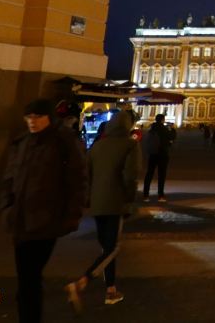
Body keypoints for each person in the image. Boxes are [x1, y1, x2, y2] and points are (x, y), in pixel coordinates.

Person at [1, 98, 86, 323]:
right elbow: (9, 177)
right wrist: (7, 207)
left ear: (49, 118)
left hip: (47, 218)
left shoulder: (64, 142)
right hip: (20, 217)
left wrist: (71, 215)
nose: (33, 121)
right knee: (26, 276)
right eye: (29, 117)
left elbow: (77, 180)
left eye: (38, 117)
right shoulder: (21, 142)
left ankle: (29, 317)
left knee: (30, 276)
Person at [65, 109, 140, 310]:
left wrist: (89, 199)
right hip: (115, 202)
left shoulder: (97, 146)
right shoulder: (130, 145)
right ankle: (82, 282)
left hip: (97, 204)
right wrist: (129, 200)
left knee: (106, 249)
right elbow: (130, 176)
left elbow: (86, 176)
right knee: (113, 248)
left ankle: (111, 290)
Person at [142, 113, 173, 201]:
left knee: (149, 174)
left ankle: (145, 195)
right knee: (161, 175)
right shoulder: (164, 129)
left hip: (152, 153)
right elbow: (171, 138)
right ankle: (160, 195)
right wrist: (172, 129)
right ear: (162, 120)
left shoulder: (151, 128)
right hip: (162, 154)